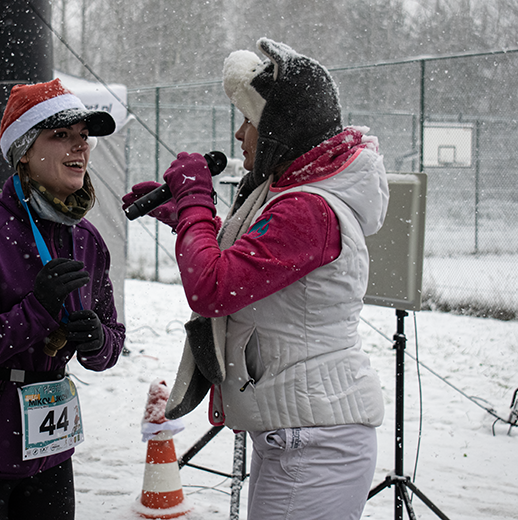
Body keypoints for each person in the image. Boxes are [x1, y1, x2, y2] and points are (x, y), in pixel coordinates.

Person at [123, 38, 388, 519]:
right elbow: (247, 259)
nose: (241, 133)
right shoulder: (296, 193)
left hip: (315, 441)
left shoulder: (309, 208)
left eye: (251, 121)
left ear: (280, 131)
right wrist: (183, 216)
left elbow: (215, 287)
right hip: (300, 431)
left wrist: (196, 204)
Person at [0, 78, 126, 520]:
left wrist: (97, 342)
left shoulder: (88, 238)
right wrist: (34, 312)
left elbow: (111, 342)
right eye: (61, 135)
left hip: (49, 455)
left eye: (83, 137)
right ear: (25, 152)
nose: (80, 147)